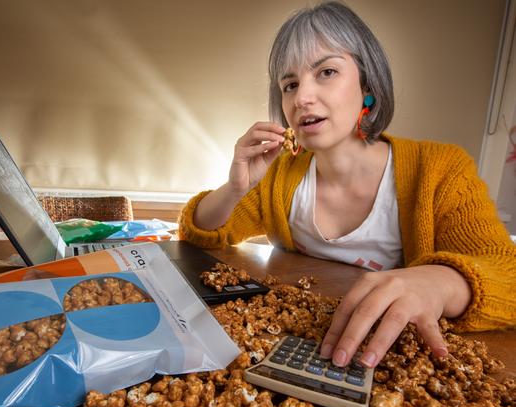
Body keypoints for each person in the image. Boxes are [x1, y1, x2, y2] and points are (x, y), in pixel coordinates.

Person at [178, 1, 516, 369]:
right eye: (289, 84)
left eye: (326, 72)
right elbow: (197, 241)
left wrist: (443, 282)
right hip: (301, 347)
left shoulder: (441, 170)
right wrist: (234, 189)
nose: (302, 97)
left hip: (392, 363)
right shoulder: (281, 174)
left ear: (367, 86)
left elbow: (506, 273)